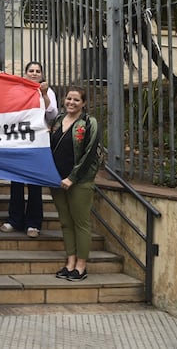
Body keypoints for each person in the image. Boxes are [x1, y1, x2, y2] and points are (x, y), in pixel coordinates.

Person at [1, 61, 58, 238]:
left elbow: (53, 114)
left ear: (42, 74)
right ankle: (14, 220)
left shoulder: (48, 91)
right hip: (19, 140)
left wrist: (43, 95)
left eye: (37, 71)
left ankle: (33, 223)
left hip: (37, 143)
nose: (34, 73)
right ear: (25, 74)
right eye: (31, 71)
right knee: (16, 181)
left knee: (35, 184)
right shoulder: (18, 90)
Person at [50, 86, 100, 282]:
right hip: (56, 179)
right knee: (65, 222)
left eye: (76, 100)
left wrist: (72, 177)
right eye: (69, 99)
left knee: (81, 223)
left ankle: (81, 265)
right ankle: (70, 261)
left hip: (79, 181)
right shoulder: (57, 121)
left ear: (84, 103)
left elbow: (89, 153)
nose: (71, 102)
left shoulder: (89, 123)